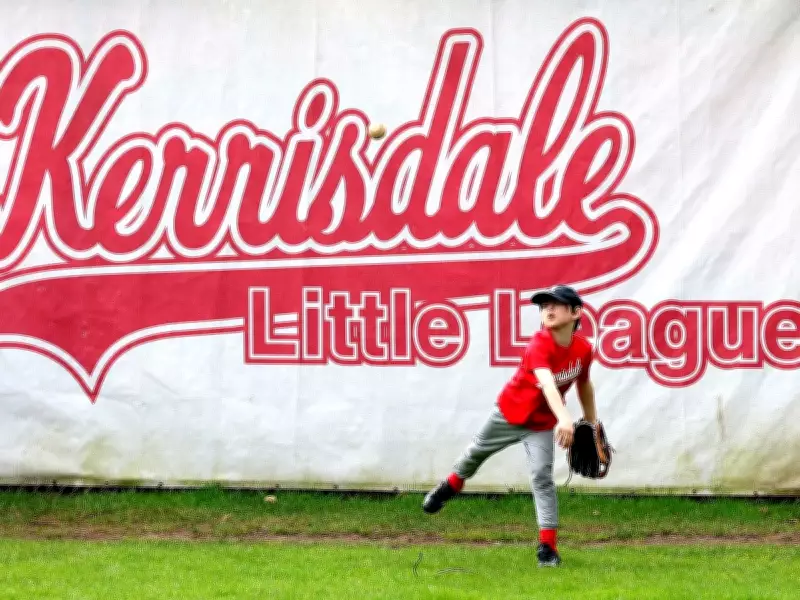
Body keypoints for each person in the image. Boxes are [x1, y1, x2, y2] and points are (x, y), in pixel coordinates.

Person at [421, 285, 598, 567]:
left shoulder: (584, 349)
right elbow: (548, 384)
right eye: (544, 306)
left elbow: (584, 384)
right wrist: (565, 418)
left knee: (542, 478)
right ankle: (451, 486)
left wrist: (592, 423)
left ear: (576, 312)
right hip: (509, 414)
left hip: (540, 423)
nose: (548, 310)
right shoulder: (539, 344)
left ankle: (548, 549)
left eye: (557, 304)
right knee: (475, 453)